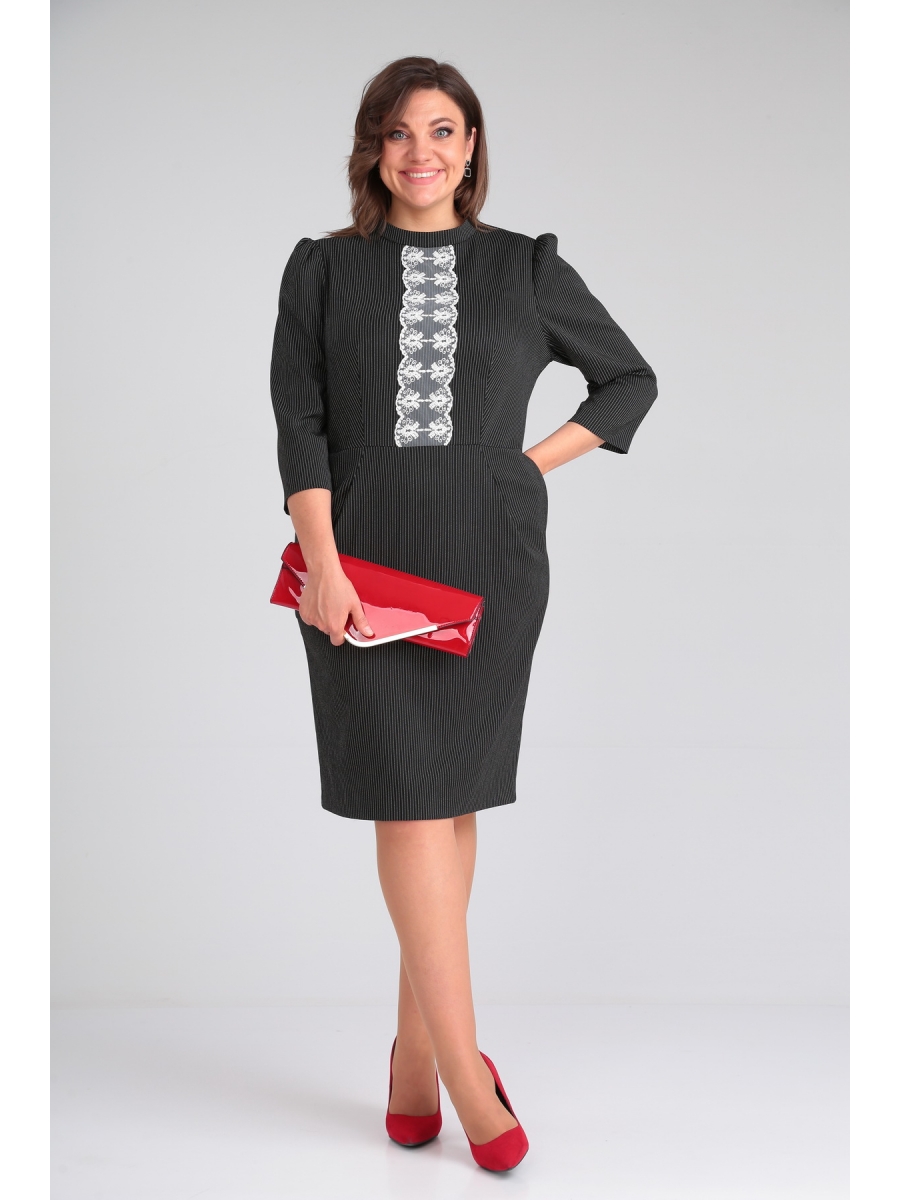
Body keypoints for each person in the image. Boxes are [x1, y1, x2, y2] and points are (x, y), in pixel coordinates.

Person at [269, 55, 657, 1172]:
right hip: (361, 563)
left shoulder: (523, 267)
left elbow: (628, 379)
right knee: (406, 799)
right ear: (373, 149)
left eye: (442, 130)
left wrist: (521, 467)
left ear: (472, 145)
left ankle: (410, 1060)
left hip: (491, 559)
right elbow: (300, 425)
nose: (421, 151)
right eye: (399, 132)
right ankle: (468, 1073)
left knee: (448, 798)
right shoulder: (322, 270)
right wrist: (322, 563)